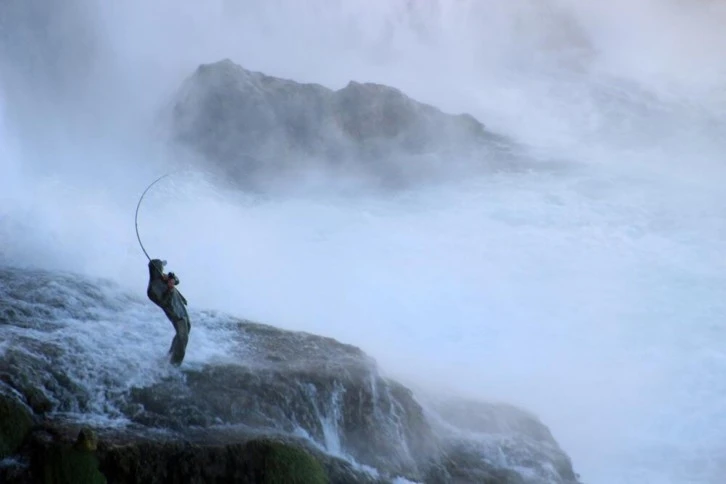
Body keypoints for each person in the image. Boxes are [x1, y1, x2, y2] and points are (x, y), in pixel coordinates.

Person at [146, 258, 191, 366]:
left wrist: (172, 279)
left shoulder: (162, 278)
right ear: (157, 269)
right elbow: (165, 302)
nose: (163, 269)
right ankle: (175, 364)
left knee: (186, 330)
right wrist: (170, 289)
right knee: (182, 337)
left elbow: (177, 281)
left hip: (180, 307)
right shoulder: (153, 288)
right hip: (175, 313)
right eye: (161, 267)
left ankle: (171, 354)